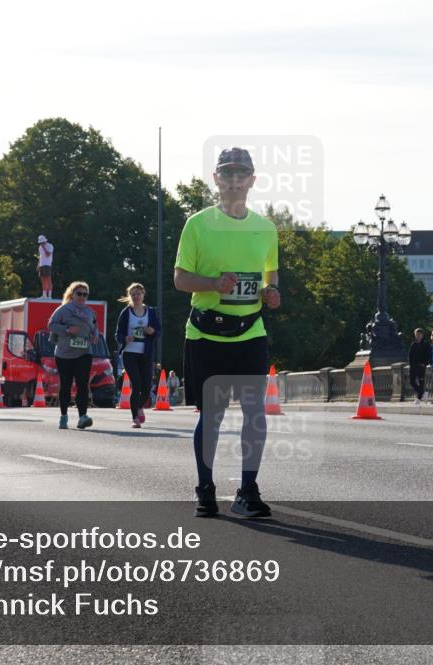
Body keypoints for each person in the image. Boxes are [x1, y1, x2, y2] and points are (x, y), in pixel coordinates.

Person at [174, 146, 280, 519]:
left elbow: (271, 273)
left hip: (250, 332)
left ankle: (247, 490)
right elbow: (180, 278)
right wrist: (214, 284)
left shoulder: (266, 228)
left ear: (251, 180)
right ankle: (205, 488)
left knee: (255, 414)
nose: (235, 180)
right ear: (217, 179)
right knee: (213, 415)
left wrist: (272, 293)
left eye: (242, 174)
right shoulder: (198, 224)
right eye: (228, 173)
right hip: (206, 335)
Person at [49, 281, 99, 430]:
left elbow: (94, 327)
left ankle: (82, 417)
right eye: (79, 294)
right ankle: (63, 416)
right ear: (72, 295)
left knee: (83, 385)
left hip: (84, 352)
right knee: (66, 385)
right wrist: (67, 330)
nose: (82, 297)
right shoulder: (63, 310)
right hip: (64, 354)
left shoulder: (90, 312)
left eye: (85, 294)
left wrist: (95, 336)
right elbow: (51, 325)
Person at [114, 282, 161, 428]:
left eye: (138, 294)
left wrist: (152, 332)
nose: (136, 296)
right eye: (133, 294)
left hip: (145, 353)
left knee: (147, 387)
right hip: (130, 353)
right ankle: (134, 418)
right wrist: (124, 339)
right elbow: (118, 334)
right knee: (136, 384)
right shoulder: (126, 312)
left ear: (143, 294)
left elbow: (159, 332)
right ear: (130, 296)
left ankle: (139, 406)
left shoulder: (151, 312)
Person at [407, 328, 430, 403]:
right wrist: (410, 364)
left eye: (419, 335)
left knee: (421, 382)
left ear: (422, 335)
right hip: (413, 366)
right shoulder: (414, 344)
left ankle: (419, 398)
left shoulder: (426, 344)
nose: (418, 336)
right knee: (412, 382)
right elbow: (410, 355)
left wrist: (425, 363)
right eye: (416, 335)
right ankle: (423, 393)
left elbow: (428, 355)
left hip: (421, 366)